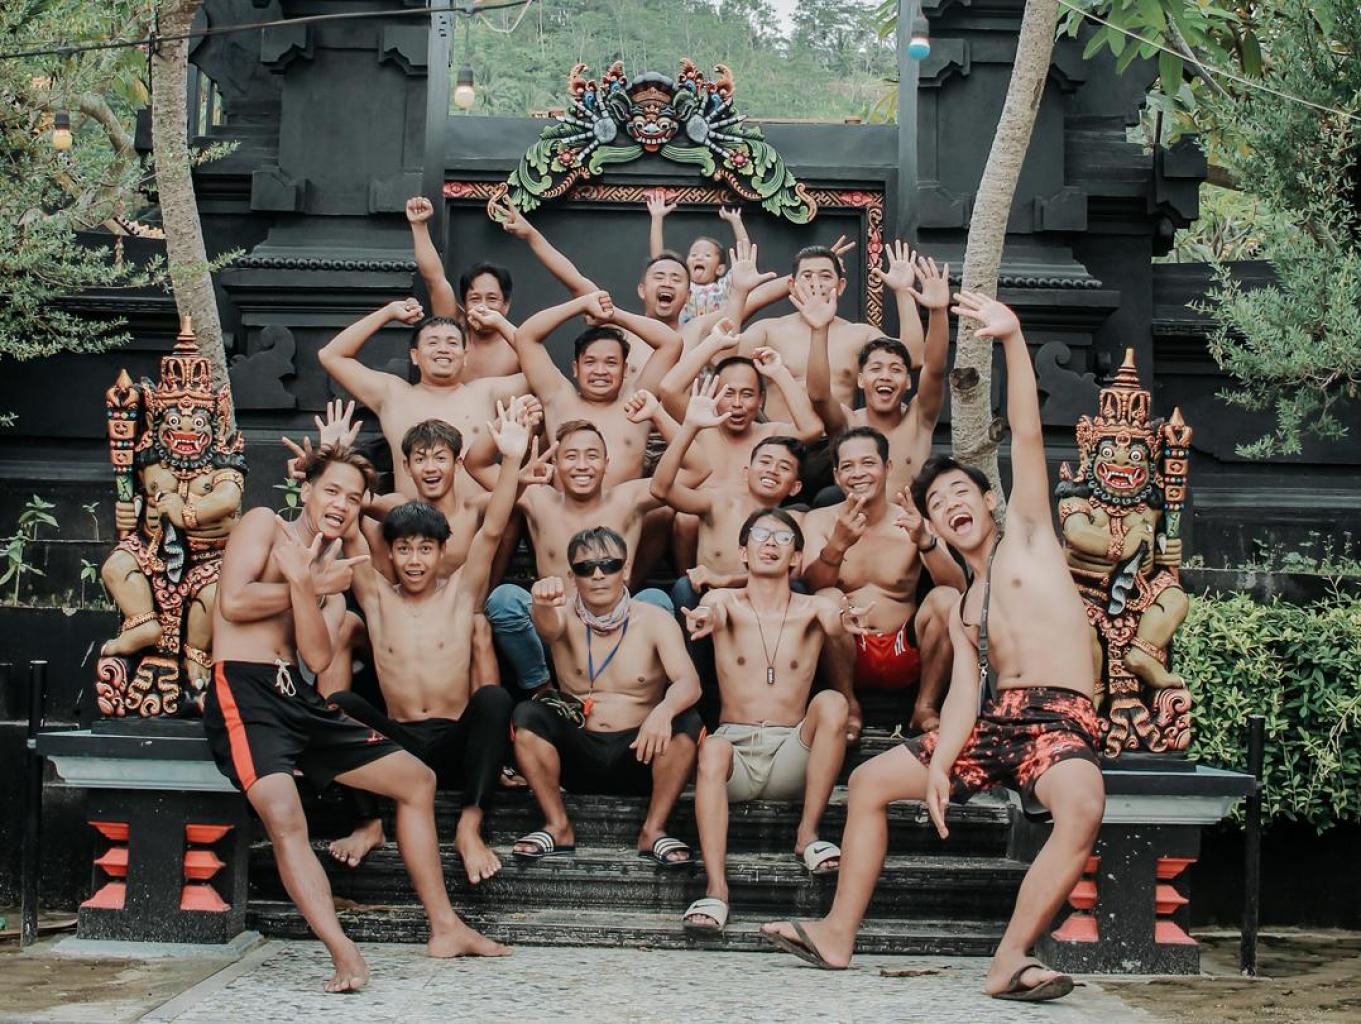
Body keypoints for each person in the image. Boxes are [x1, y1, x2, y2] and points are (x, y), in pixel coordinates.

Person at [762, 292, 1106, 1006]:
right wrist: (944, 763)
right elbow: (961, 698)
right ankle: (836, 934)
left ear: (987, 502)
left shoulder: (1029, 540)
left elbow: (1026, 435)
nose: (951, 505)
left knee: (1081, 804)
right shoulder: (966, 604)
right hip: (994, 724)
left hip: (1057, 722)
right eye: (937, 502)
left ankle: (1010, 958)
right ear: (934, 525)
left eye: (960, 493)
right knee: (869, 783)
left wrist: (1012, 339)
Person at [204, 446, 508, 995]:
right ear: (306, 491)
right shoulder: (266, 525)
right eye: (331, 491)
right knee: (285, 816)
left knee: (417, 780)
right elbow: (234, 602)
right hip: (245, 692)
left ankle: (445, 927)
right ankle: (342, 951)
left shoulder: (335, 575)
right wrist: (304, 584)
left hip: (296, 695)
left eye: (352, 497)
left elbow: (318, 656)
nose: (341, 504)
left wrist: (313, 586)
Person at [324, 402, 531, 886]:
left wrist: (512, 458)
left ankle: (470, 826)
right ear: (390, 554)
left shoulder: (461, 594)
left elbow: (493, 529)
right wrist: (336, 455)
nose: (414, 560)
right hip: (396, 745)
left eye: (424, 549)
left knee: (494, 699)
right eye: (404, 549)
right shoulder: (376, 598)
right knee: (339, 703)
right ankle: (368, 823)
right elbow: (349, 529)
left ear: (442, 553)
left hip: (456, 742)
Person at [680, 509, 870, 933]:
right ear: (743, 553)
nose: (770, 543)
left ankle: (808, 835)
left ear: (796, 558)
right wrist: (705, 619)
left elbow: (833, 621)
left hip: (791, 753)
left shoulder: (815, 607)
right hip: (737, 755)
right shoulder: (723, 602)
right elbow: (713, 611)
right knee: (712, 747)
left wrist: (843, 623)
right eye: (760, 535)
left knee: (832, 702)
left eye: (782, 538)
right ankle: (716, 889)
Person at [511, 526, 703, 868]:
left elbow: (689, 683)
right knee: (527, 715)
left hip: (639, 754)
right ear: (573, 576)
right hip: (578, 755)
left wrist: (663, 712)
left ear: (625, 570)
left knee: (687, 720)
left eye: (609, 564)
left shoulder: (656, 620)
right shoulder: (562, 616)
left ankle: (653, 830)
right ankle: (557, 825)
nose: (598, 574)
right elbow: (547, 627)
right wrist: (540, 603)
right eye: (586, 568)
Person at [482, 419, 671, 692]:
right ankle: (544, 691)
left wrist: (665, 416)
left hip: (616, 629)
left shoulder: (627, 498)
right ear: (555, 463)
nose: (582, 465)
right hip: (556, 629)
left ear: (607, 463)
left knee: (657, 600)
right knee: (505, 598)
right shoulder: (538, 497)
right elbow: (477, 465)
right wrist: (512, 453)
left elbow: (696, 472)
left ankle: (636, 695)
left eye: (592, 456)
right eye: (571, 456)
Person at [801, 427, 965, 733]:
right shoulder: (819, 520)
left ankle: (925, 707)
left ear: (887, 467)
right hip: (846, 651)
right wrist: (837, 545)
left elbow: (958, 588)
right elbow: (811, 586)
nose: (858, 473)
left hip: (904, 649)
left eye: (868, 463)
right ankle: (849, 706)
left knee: (946, 599)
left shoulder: (914, 520)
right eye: (847, 466)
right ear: (836, 476)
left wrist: (925, 541)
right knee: (826, 599)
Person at [317, 298, 524, 498]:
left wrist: (500, 323)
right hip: (410, 519)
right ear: (415, 356)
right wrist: (388, 312)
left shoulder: (486, 393)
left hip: (479, 520)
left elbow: (540, 372)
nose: (443, 349)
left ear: (465, 356)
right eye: (433, 342)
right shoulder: (393, 395)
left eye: (452, 343)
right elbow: (331, 355)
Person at [799, 251, 950, 504]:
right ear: (861, 380)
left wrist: (938, 312)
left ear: (908, 381)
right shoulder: (847, 423)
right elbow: (819, 395)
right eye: (876, 368)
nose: (885, 376)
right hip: (854, 524)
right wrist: (819, 330)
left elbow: (934, 369)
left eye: (896, 369)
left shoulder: (919, 418)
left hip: (906, 525)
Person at [733, 241, 926, 423]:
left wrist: (903, 292)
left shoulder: (859, 335)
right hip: (781, 439)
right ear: (792, 285)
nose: (815, 283)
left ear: (840, 286)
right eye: (807, 276)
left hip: (837, 439)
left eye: (825, 276)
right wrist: (739, 292)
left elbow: (913, 358)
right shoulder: (767, 330)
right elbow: (723, 357)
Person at [506, 291, 682, 485]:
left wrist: (614, 315)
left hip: (625, 503)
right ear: (576, 368)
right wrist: (582, 304)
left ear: (624, 369)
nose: (600, 371)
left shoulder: (637, 402)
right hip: (563, 504)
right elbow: (525, 336)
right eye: (590, 362)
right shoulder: (558, 398)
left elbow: (671, 343)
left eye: (611, 363)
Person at [657, 318, 824, 482]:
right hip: (700, 500)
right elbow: (669, 390)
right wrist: (713, 343)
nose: (737, 404)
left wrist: (779, 372)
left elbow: (812, 429)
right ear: (714, 397)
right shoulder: (700, 428)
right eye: (728, 394)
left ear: (760, 400)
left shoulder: (770, 435)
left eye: (747, 394)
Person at [646, 189, 749, 324]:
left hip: (715, 335)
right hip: (685, 334)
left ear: (720, 269)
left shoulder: (724, 288)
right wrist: (657, 218)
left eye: (707, 255)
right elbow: (658, 262)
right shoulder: (683, 288)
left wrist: (737, 222)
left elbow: (745, 260)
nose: (698, 258)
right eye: (694, 254)